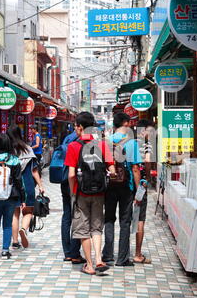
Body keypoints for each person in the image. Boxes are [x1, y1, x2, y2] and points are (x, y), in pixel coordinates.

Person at [64, 112, 116, 275]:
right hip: (99, 193)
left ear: (80, 128)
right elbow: (112, 170)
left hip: (80, 193)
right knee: (96, 227)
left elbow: (71, 175)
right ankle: (99, 259)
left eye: (76, 126)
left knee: (83, 229)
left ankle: (89, 265)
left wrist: (73, 192)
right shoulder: (102, 145)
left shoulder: (74, 146)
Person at [102, 112, 142, 267]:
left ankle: (107, 255)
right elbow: (135, 168)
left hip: (109, 185)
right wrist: (138, 192)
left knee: (109, 219)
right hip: (126, 186)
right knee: (125, 222)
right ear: (125, 123)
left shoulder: (106, 142)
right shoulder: (131, 143)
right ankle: (122, 258)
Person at [7, 126, 44, 249]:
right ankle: (23, 229)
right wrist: (40, 185)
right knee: (28, 211)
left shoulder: (8, 151)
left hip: (12, 186)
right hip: (27, 184)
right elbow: (34, 171)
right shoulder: (28, 149)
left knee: (14, 214)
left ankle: (15, 242)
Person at [0, 133, 26, 260]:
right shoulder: (13, 159)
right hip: (11, 196)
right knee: (7, 224)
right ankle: (5, 250)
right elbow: (18, 181)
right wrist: (23, 198)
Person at [60, 129, 85, 264]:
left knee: (66, 216)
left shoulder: (67, 138)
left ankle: (67, 252)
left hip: (64, 180)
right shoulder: (82, 140)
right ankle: (75, 252)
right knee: (78, 215)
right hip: (75, 181)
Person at [133, 119, 156, 264]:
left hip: (128, 185)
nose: (152, 134)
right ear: (143, 131)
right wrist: (147, 177)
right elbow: (147, 161)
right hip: (140, 185)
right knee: (140, 219)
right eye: (150, 131)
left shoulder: (131, 144)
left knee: (129, 219)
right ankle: (137, 253)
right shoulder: (147, 145)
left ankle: (123, 251)